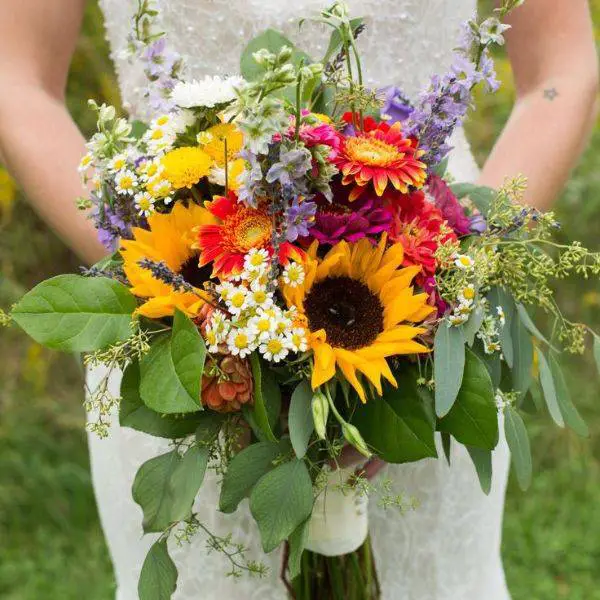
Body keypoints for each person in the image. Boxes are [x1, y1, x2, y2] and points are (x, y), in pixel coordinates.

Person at [0, 1, 597, 599]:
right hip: (180, 316)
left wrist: (458, 273)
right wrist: (181, 293)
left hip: (430, 302)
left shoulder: (443, 287)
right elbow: (18, 80)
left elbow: (560, 72)